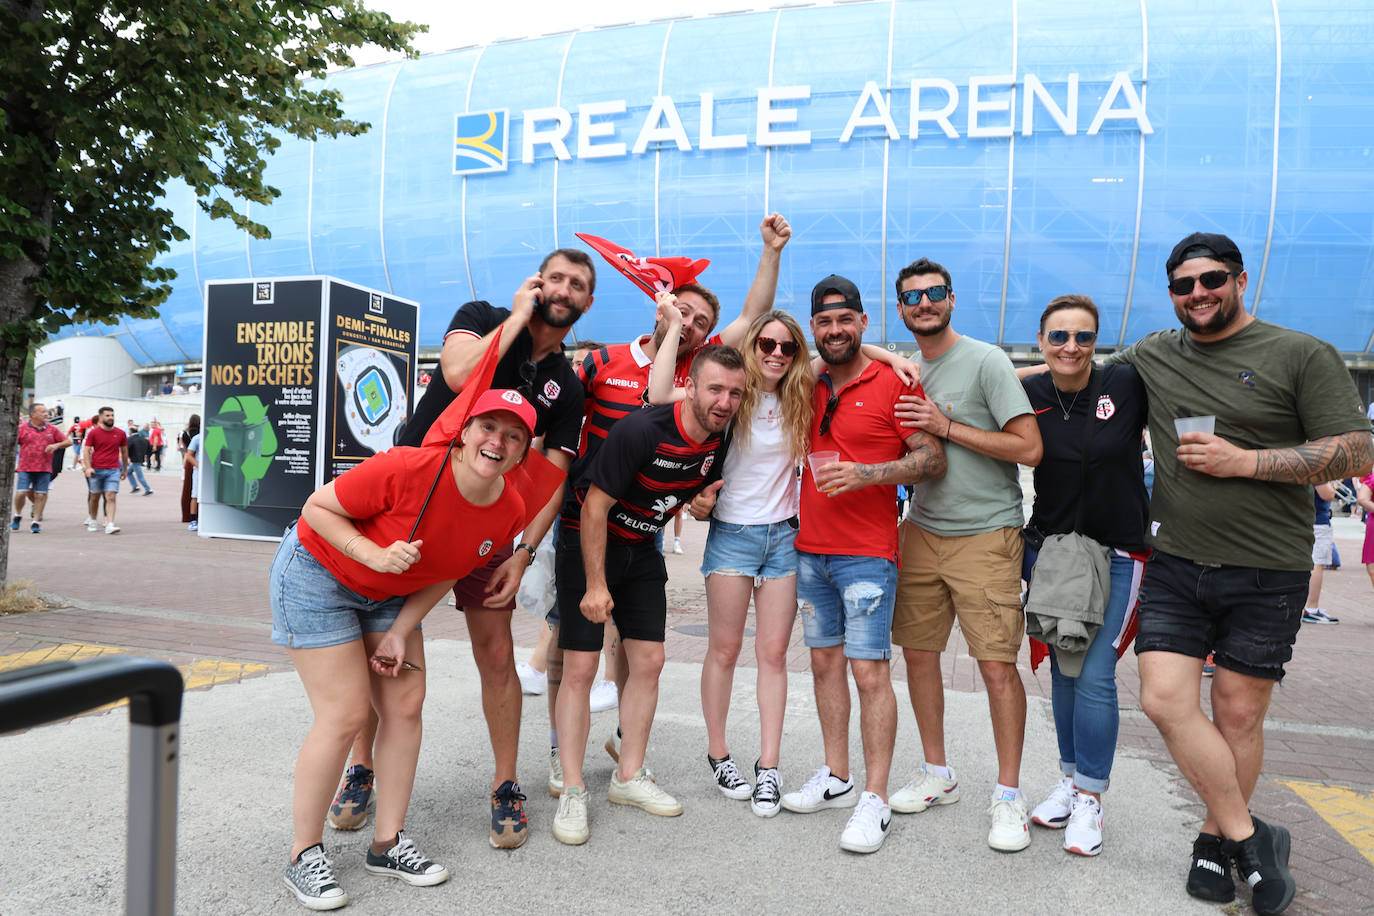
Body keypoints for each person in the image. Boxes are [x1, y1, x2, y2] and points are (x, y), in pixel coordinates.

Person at [1104, 232, 1372, 914]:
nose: (1198, 294)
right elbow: (1066, 375)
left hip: (1268, 568)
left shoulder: (1299, 353)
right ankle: (1254, 840)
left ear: (1240, 279)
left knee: (1237, 714)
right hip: (1177, 562)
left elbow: (1355, 449)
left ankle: (1214, 839)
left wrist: (1246, 461)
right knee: (1164, 699)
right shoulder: (1156, 351)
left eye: (1212, 280)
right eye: (1184, 285)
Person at [330, 248, 592, 850]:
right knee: (377, 643)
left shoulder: (569, 388)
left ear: (587, 303)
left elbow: (552, 475)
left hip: (488, 530)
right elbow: (456, 373)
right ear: (535, 283)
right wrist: (516, 319)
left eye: (577, 284)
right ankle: (361, 768)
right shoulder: (482, 315)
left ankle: (506, 785)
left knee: (497, 654)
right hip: (408, 510)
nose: (564, 289)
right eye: (554, 278)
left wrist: (522, 548)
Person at [272, 388, 543, 911]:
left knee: (405, 704)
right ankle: (303, 854)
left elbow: (450, 568)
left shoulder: (508, 508)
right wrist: (371, 552)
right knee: (346, 713)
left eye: (514, 436)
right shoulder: (407, 467)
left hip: (389, 594)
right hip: (317, 574)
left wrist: (401, 629)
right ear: (464, 433)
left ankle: (387, 843)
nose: (498, 441)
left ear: (522, 452)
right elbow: (318, 507)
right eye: (488, 427)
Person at [549, 214, 792, 796]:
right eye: (684, 315)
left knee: (639, 655)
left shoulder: (704, 374)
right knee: (569, 646)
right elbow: (559, 433)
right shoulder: (602, 361)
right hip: (584, 516)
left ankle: (624, 750)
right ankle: (565, 754)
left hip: (644, 528)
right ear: (660, 311)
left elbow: (754, 318)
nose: (693, 326)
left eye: (701, 323)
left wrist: (770, 252)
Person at [550, 345, 746, 845]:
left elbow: (691, 490)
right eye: (715, 389)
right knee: (580, 668)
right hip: (588, 540)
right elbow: (594, 507)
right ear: (692, 386)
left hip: (641, 548)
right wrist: (595, 585)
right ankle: (572, 788)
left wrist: (700, 501)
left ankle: (628, 776)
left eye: (735, 393)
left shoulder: (719, 438)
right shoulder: (641, 429)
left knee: (651, 661)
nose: (724, 402)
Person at [779, 276, 946, 855]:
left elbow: (931, 459)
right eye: (823, 322)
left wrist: (868, 474)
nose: (834, 331)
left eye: (844, 320)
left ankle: (875, 798)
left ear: (862, 322)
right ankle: (837, 775)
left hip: (868, 556)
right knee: (824, 667)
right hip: (811, 553)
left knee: (869, 672)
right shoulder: (812, 384)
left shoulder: (893, 385)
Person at [887, 257, 1044, 852]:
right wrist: (883, 356)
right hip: (922, 530)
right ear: (900, 309)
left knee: (996, 667)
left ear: (952, 299)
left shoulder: (985, 360)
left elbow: (1029, 448)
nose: (923, 303)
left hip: (986, 533)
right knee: (919, 657)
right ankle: (936, 772)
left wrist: (945, 425)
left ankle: (1008, 794)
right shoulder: (905, 369)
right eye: (911, 297)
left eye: (933, 294)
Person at [1018, 295, 1149, 857]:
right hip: (1052, 553)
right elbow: (942, 369)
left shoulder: (1126, 384)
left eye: (1084, 337)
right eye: (1059, 337)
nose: (1072, 347)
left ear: (1098, 341)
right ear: (1042, 341)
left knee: (1094, 675)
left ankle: (1093, 797)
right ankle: (1070, 782)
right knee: (1065, 672)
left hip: (1119, 553)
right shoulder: (1028, 393)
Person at [12, 403, 72, 535]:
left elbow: (68, 442)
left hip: (44, 468)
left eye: (46, 412)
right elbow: (11, 443)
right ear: (33, 414)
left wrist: (56, 445)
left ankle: (35, 522)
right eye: (43, 412)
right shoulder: (22, 428)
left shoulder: (52, 429)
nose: (46, 414)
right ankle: (17, 515)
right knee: (21, 493)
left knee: (40, 495)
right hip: (25, 467)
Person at [81, 407, 128, 535]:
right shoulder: (93, 433)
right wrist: (88, 467)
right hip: (96, 469)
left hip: (113, 469)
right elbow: (86, 450)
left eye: (112, 415)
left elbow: (124, 451)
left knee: (111, 496)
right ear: (101, 417)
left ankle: (110, 523)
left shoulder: (120, 433)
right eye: (107, 415)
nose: (111, 417)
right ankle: (93, 519)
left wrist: (124, 469)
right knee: (94, 496)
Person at [179, 415, 200, 524]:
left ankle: (186, 516)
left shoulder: (184, 434)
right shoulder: (200, 434)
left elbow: (185, 450)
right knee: (198, 490)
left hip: (189, 461)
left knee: (188, 489)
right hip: (199, 459)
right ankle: (198, 515)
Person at [126, 428, 153, 495]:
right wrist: (147, 455)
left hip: (134, 460)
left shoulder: (130, 439)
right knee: (128, 472)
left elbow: (126, 449)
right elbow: (150, 448)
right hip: (140, 459)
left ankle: (148, 489)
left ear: (131, 431)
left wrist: (127, 458)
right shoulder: (143, 439)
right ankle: (135, 487)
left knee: (140, 476)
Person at [185, 428, 202, 531]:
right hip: (198, 471)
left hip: (213, 471)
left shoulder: (218, 436)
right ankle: (193, 520)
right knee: (195, 495)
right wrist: (199, 466)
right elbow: (189, 455)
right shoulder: (197, 438)